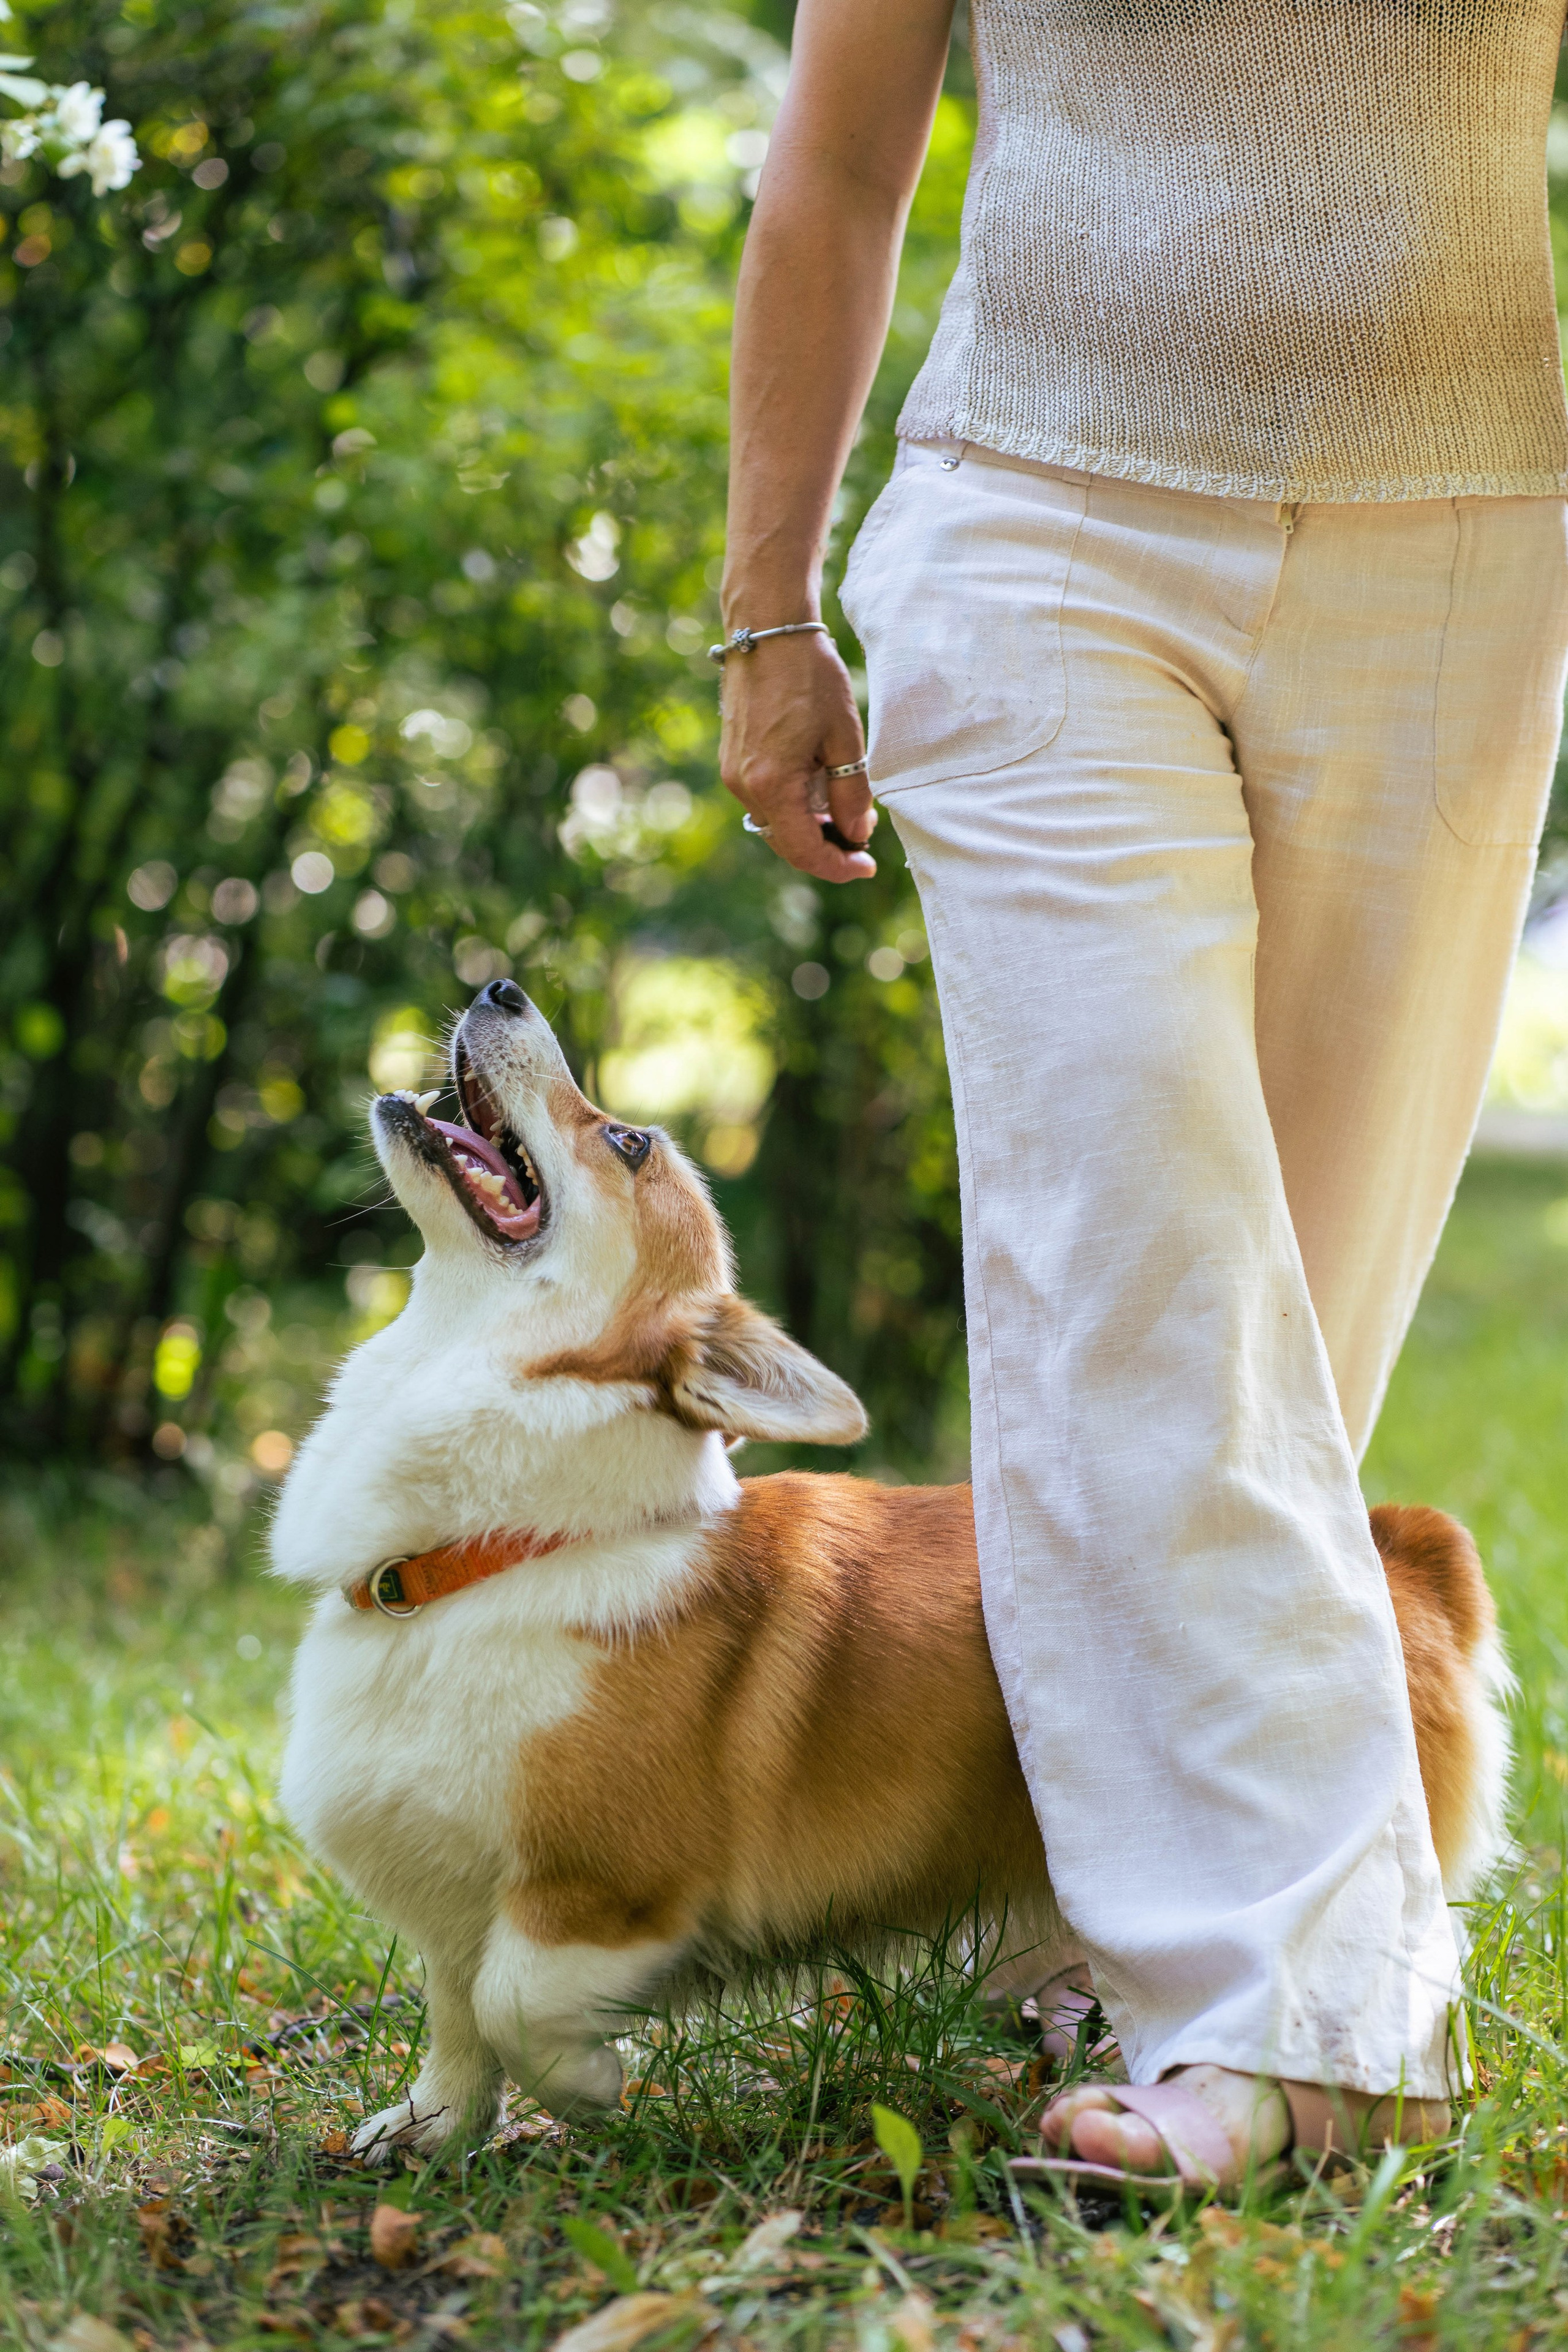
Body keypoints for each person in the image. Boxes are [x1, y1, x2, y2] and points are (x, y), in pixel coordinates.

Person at [716, 0, 1568, 2188]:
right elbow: (836, 159)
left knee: (1304, 1273)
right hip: (1038, 537)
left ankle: (1099, 1896)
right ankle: (1302, 2028)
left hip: (1464, 554)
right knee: (1141, 1244)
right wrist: (764, 616)